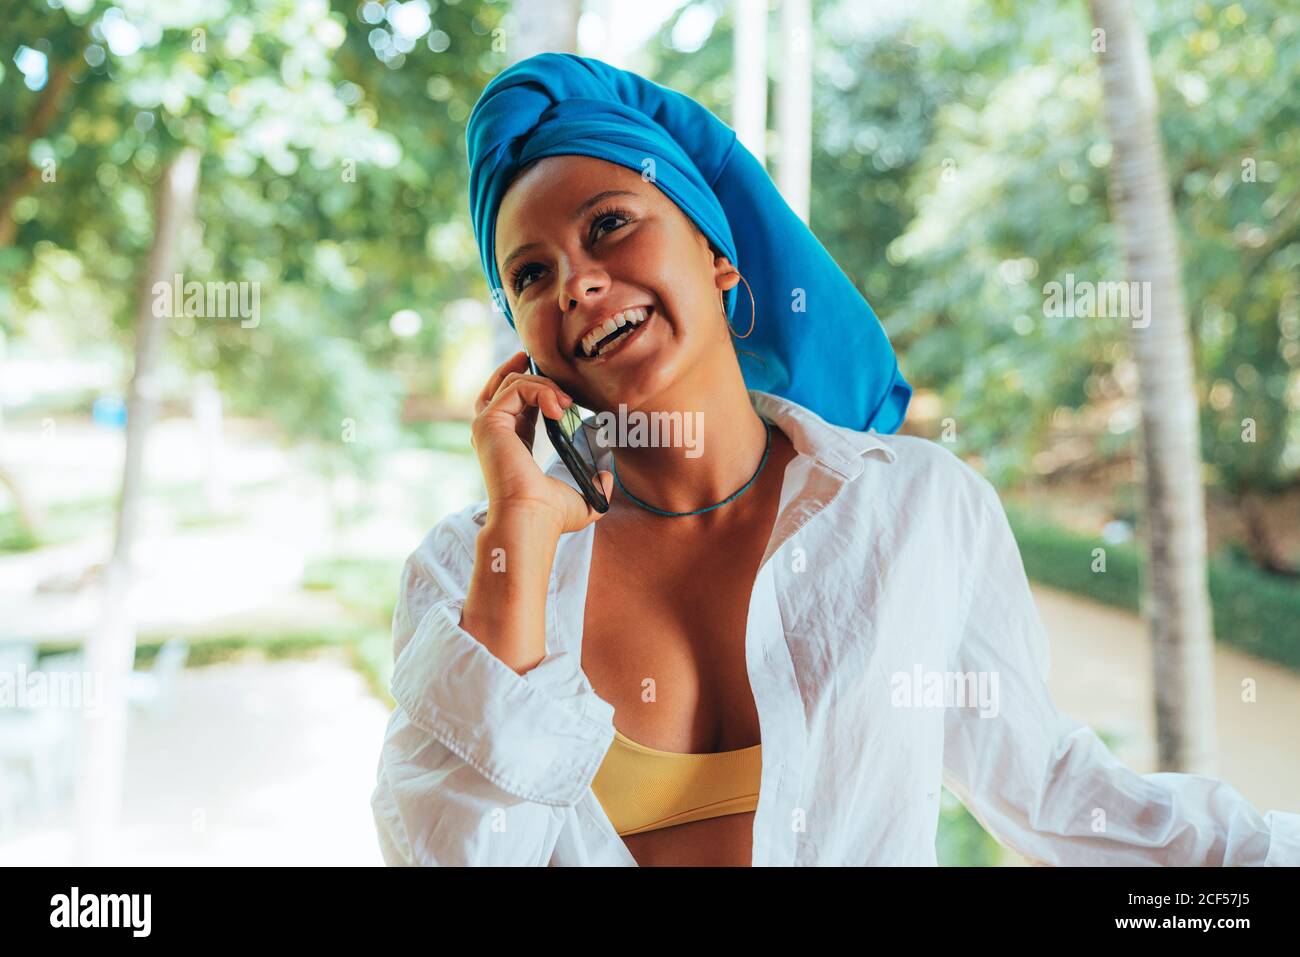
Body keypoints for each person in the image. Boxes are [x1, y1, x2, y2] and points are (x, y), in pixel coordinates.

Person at [369, 53, 1299, 866]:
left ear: (720, 256)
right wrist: (522, 539)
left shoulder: (915, 511)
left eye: (609, 224)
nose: (576, 280)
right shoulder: (472, 573)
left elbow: (1057, 794)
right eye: (531, 273)